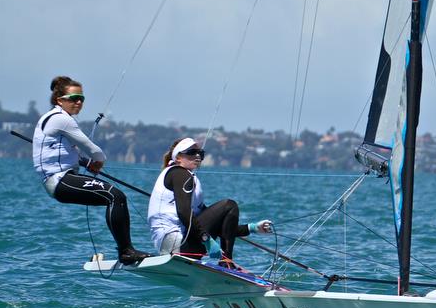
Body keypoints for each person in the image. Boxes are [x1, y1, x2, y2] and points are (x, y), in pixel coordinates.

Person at [32, 75, 150, 265]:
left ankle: (126, 250)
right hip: (59, 180)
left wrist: (86, 164)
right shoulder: (62, 120)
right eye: (73, 98)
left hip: (60, 178)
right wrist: (97, 161)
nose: (78, 102)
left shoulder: (53, 118)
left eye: (82, 98)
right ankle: (126, 252)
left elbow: (62, 153)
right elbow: (94, 150)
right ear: (59, 100)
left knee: (115, 197)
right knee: (115, 196)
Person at [147, 137, 271, 268]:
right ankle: (227, 263)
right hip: (177, 245)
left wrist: (252, 228)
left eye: (200, 153)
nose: (197, 156)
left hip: (172, 246)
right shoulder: (180, 174)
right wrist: (206, 240)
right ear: (178, 157)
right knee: (229, 205)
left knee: (224, 214)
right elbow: (184, 213)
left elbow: (220, 227)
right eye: (191, 152)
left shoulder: (178, 174)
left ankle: (227, 263)